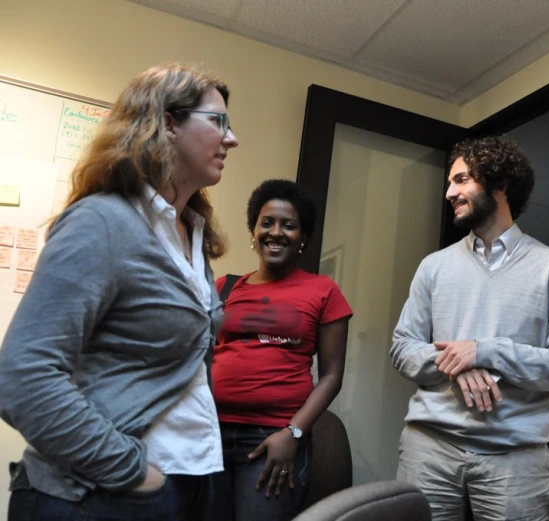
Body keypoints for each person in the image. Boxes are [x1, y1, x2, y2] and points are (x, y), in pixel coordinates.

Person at [0, 62, 239, 521]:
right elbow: (24, 377)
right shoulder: (103, 221)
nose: (232, 139)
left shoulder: (191, 235)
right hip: (98, 496)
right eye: (219, 121)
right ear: (169, 122)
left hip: (183, 483)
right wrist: (135, 474)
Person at [390, 136, 549, 521]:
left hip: (517, 461)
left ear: (500, 186)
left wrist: (485, 351)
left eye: (462, 180)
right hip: (429, 451)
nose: (450, 192)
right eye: (450, 182)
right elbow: (402, 348)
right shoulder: (434, 266)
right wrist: (459, 361)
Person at [210, 179, 353, 521]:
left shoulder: (323, 290)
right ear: (253, 230)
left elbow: (332, 376)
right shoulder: (224, 286)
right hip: (209, 434)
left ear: (303, 237)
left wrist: (293, 433)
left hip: (272, 439)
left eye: (289, 225)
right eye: (267, 223)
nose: (276, 232)